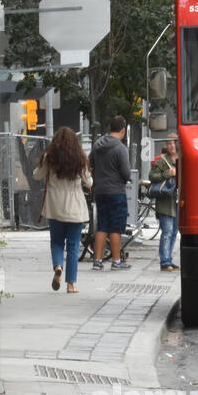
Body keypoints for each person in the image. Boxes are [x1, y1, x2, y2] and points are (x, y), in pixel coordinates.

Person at [33, 127, 92, 293]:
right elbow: (89, 183)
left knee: (57, 242)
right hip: (75, 207)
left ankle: (58, 266)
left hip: (55, 207)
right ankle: (71, 284)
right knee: (73, 246)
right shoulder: (80, 158)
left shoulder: (49, 157)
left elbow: (36, 175)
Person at [89, 116, 132, 272]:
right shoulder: (121, 148)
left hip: (100, 191)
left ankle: (98, 261)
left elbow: (90, 164)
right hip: (116, 192)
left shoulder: (97, 145)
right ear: (122, 130)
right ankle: (116, 261)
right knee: (115, 227)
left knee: (102, 225)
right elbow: (126, 173)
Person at [149, 140, 179, 272]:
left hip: (178, 202)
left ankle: (169, 259)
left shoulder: (182, 159)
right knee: (167, 232)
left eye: (174, 143)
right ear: (166, 146)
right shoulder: (161, 161)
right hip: (166, 203)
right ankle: (165, 261)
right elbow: (151, 176)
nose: (172, 146)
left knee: (173, 233)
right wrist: (168, 173)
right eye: (170, 144)